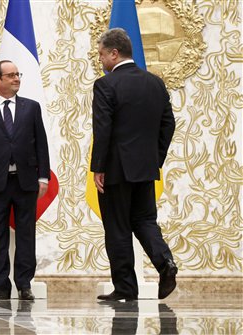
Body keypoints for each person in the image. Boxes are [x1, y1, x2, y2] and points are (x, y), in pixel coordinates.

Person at [91, 28, 177, 301]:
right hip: (145, 169)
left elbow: (103, 130)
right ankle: (166, 263)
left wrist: (98, 168)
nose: (100, 59)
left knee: (117, 227)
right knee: (145, 220)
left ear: (114, 53)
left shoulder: (105, 85)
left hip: (115, 170)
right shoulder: (155, 83)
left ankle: (126, 288)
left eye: (102, 53)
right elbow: (168, 125)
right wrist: (155, 159)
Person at [0, 60, 50, 301]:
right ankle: (0, 283)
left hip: (26, 182)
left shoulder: (31, 108)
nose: (16, 79)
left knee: (26, 234)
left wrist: (43, 176)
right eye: (11, 75)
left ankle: (24, 284)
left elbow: (42, 144)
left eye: (18, 74)